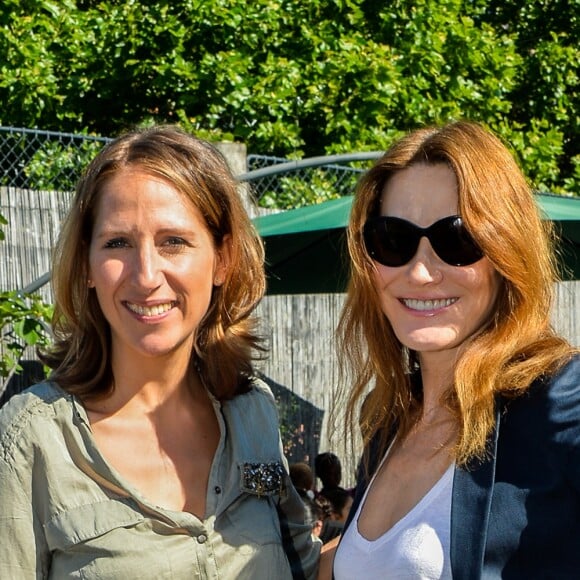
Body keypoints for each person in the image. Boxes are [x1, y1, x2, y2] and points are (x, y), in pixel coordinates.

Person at [0, 125, 320, 578]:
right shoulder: (31, 442)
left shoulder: (253, 414)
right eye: (117, 243)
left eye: (173, 241)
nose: (146, 274)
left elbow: (300, 562)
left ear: (222, 260)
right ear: (87, 264)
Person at [323, 121, 580, 579]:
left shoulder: (560, 398)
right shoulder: (387, 420)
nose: (421, 273)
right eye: (393, 240)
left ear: (507, 253)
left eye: (456, 240)